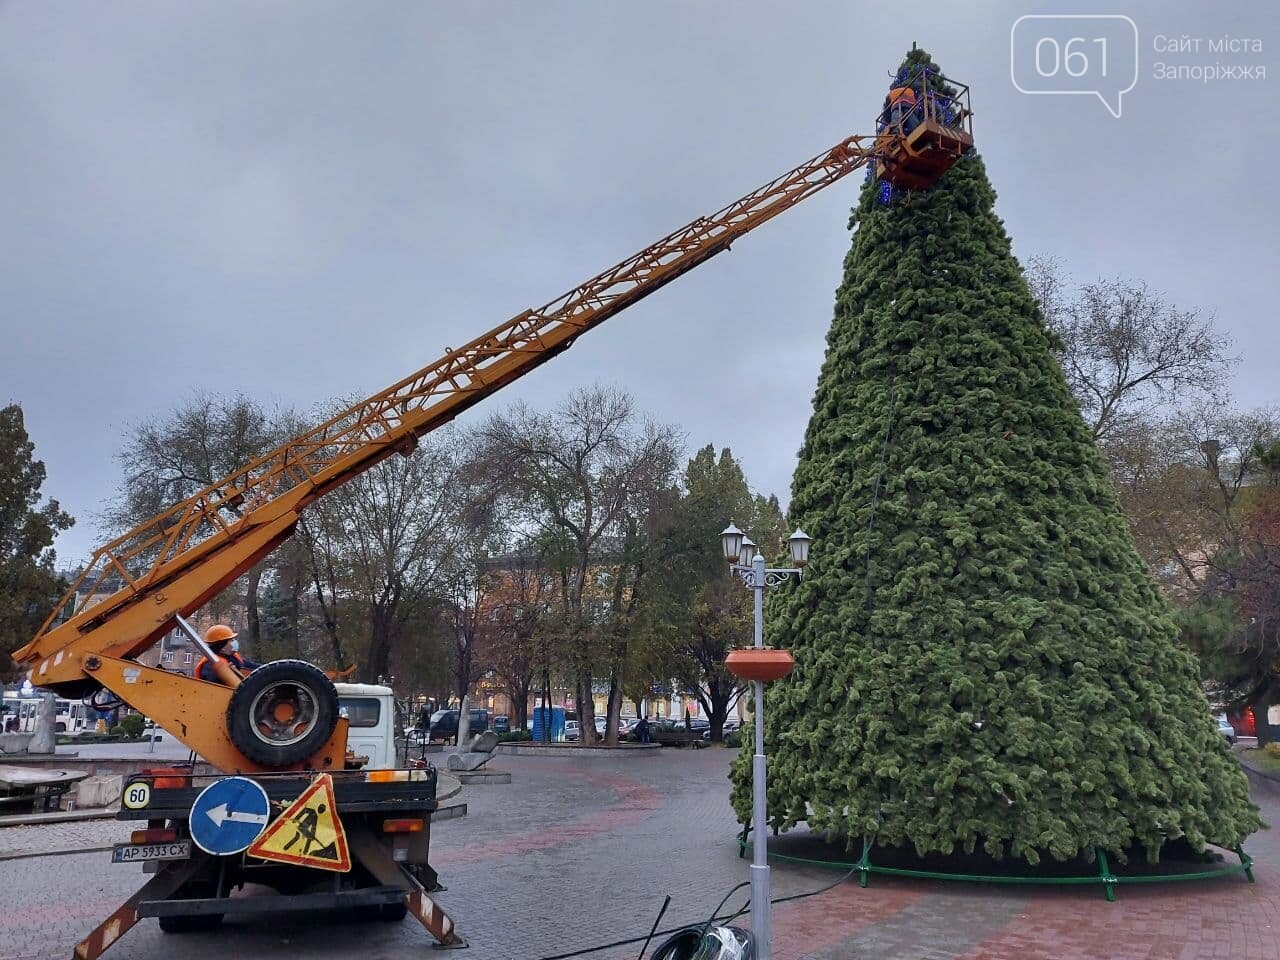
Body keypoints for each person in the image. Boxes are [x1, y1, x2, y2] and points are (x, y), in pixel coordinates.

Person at [194, 624, 261, 684]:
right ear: (222, 647)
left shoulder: (232, 657)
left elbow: (252, 666)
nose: (234, 642)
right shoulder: (211, 666)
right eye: (231, 640)